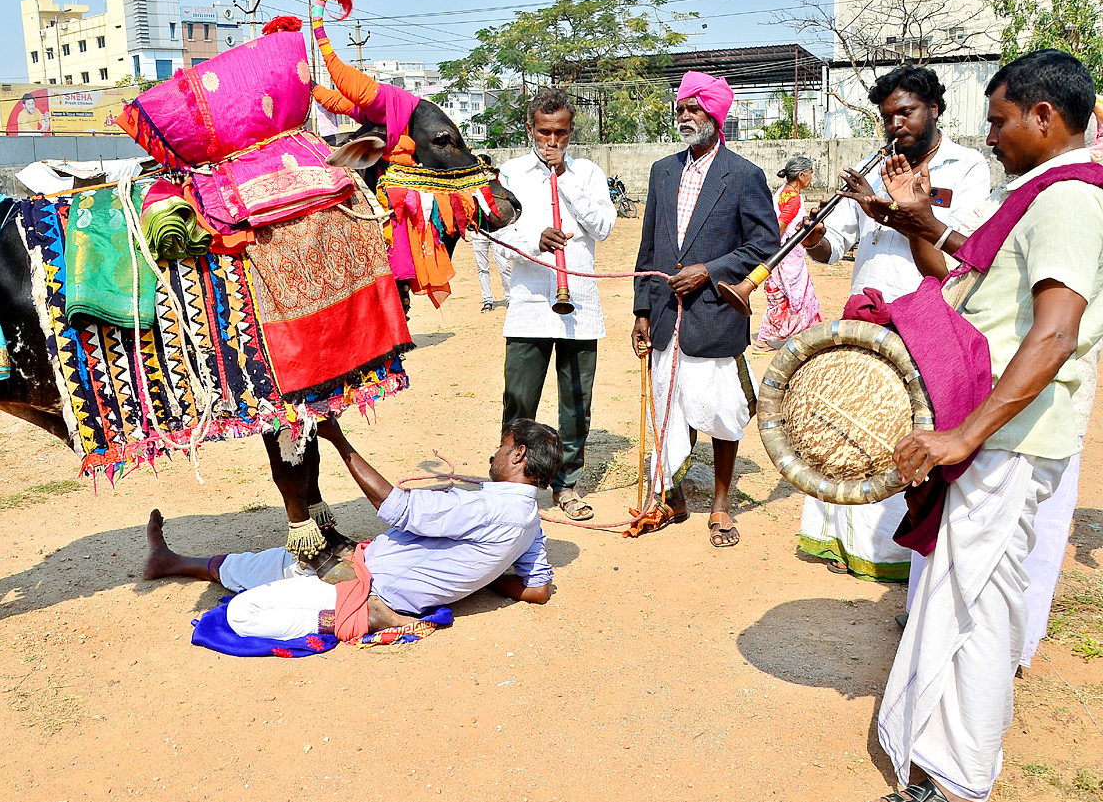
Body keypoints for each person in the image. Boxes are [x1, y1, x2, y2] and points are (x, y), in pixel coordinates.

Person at [848, 49, 1103, 802]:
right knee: (959, 597)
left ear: (1043, 116)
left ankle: (957, 782)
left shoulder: (1069, 201)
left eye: (998, 121)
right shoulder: (1040, 192)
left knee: (981, 609)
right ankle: (936, 761)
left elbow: (1054, 334)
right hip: (992, 430)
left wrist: (963, 437)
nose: (989, 137)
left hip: (1007, 438)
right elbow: (967, 272)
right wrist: (915, 216)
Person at [795, 65, 992, 580]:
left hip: (928, 321)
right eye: (887, 117)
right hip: (867, 320)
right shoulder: (872, 162)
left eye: (906, 112)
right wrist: (813, 235)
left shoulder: (967, 168)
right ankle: (843, 543)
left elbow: (958, 254)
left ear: (934, 110)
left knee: (906, 435)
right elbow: (832, 247)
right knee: (852, 427)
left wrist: (904, 211)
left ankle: (901, 557)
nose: (896, 125)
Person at [143, 417, 558, 640]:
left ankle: (364, 619)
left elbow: (397, 507)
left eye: (503, 447)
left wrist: (339, 440)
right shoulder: (530, 522)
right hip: (359, 567)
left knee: (243, 613)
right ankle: (170, 562)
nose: (494, 454)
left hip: (363, 589)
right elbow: (537, 591)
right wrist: (478, 577)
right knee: (276, 564)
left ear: (519, 454)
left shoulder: (483, 504)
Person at [630, 71, 779, 546]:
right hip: (665, 314)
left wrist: (709, 271)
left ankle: (719, 504)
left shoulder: (745, 176)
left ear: (716, 113)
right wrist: (641, 310)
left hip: (716, 311)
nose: (686, 116)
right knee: (668, 409)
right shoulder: (662, 170)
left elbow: (765, 245)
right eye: (681, 109)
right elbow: (649, 243)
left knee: (720, 412)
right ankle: (672, 495)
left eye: (695, 108)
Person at [493, 88, 616, 521]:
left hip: (579, 308)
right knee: (519, 402)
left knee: (576, 403)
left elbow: (602, 228)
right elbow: (497, 236)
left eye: (560, 133)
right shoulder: (510, 173)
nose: (552, 141)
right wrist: (534, 241)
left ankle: (567, 485)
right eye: (544, 132)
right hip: (528, 304)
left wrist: (563, 180)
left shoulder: (587, 173)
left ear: (570, 132)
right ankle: (513, 486)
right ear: (530, 129)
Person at [752, 155, 824, 353]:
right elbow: (779, 229)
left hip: (789, 255)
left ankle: (807, 333)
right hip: (784, 256)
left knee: (802, 295)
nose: (811, 177)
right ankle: (765, 339)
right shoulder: (792, 199)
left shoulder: (782, 193)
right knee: (785, 298)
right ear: (801, 175)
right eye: (810, 173)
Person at [471, 156, 512, 312]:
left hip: (497, 231)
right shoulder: (471, 185)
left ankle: (510, 297)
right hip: (479, 231)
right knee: (482, 268)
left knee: (504, 266)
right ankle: (487, 300)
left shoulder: (498, 183)